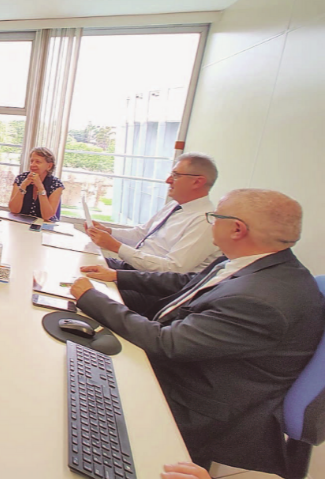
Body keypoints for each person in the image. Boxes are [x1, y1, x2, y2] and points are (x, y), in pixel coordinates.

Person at [70, 189, 325, 475]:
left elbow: (166, 343)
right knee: (82, 354)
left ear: (237, 229)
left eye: (215, 217)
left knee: (78, 396)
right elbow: (190, 282)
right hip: (195, 362)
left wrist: (91, 298)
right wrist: (117, 275)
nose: (211, 222)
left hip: (199, 403)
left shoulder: (261, 300)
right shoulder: (259, 262)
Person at [85, 152, 221, 274]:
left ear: (197, 182)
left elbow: (173, 269)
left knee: (85, 284)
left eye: (176, 175)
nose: (168, 180)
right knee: (83, 260)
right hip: (132, 268)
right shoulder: (175, 205)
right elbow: (142, 233)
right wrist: (108, 232)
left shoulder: (204, 222)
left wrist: (116, 247)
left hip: (149, 282)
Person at [8, 147, 64, 221]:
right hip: (22, 222)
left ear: (49, 166)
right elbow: (14, 210)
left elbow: (47, 216)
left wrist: (40, 187)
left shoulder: (56, 184)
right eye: (31, 161)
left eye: (38, 162)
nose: (33, 165)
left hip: (45, 225)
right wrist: (23, 186)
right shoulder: (21, 178)